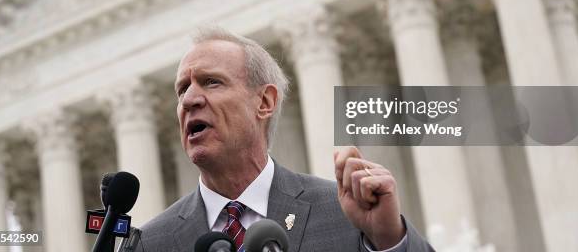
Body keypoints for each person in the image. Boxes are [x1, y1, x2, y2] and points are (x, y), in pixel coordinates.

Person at [134, 28, 432, 251]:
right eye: (182, 89)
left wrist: (390, 240)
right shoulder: (150, 243)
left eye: (211, 82)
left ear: (264, 101)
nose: (189, 100)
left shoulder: (346, 214)